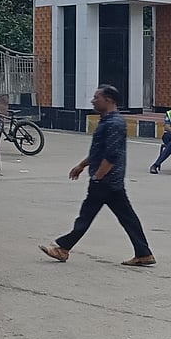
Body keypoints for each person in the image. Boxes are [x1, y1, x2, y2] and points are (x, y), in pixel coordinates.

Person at [40, 84, 156, 267]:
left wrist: (98, 177)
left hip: (106, 181)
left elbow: (111, 155)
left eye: (97, 97)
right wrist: (82, 165)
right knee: (127, 217)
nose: (93, 100)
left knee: (86, 216)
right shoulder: (107, 121)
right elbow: (99, 152)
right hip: (111, 182)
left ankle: (63, 248)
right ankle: (144, 253)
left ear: (108, 100)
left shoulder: (114, 123)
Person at [149, 109, 171, 174]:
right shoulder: (169, 113)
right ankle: (155, 165)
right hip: (169, 135)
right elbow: (167, 127)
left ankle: (155, 165)